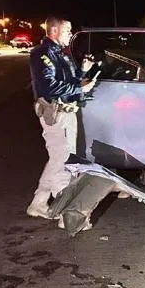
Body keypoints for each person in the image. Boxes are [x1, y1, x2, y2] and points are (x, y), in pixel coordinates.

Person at [26, 17, 95, 218]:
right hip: (56, 114)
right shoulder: (42, 54)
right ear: (54, 30)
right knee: (63, 161)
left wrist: (82, 71)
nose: (70, 35)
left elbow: (69, 81)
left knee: (58, 159)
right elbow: (49, 86)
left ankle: (38, 203)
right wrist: (78, 88)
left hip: (67, 112)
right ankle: (67, 212)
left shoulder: (61, 54)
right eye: (67, 31)